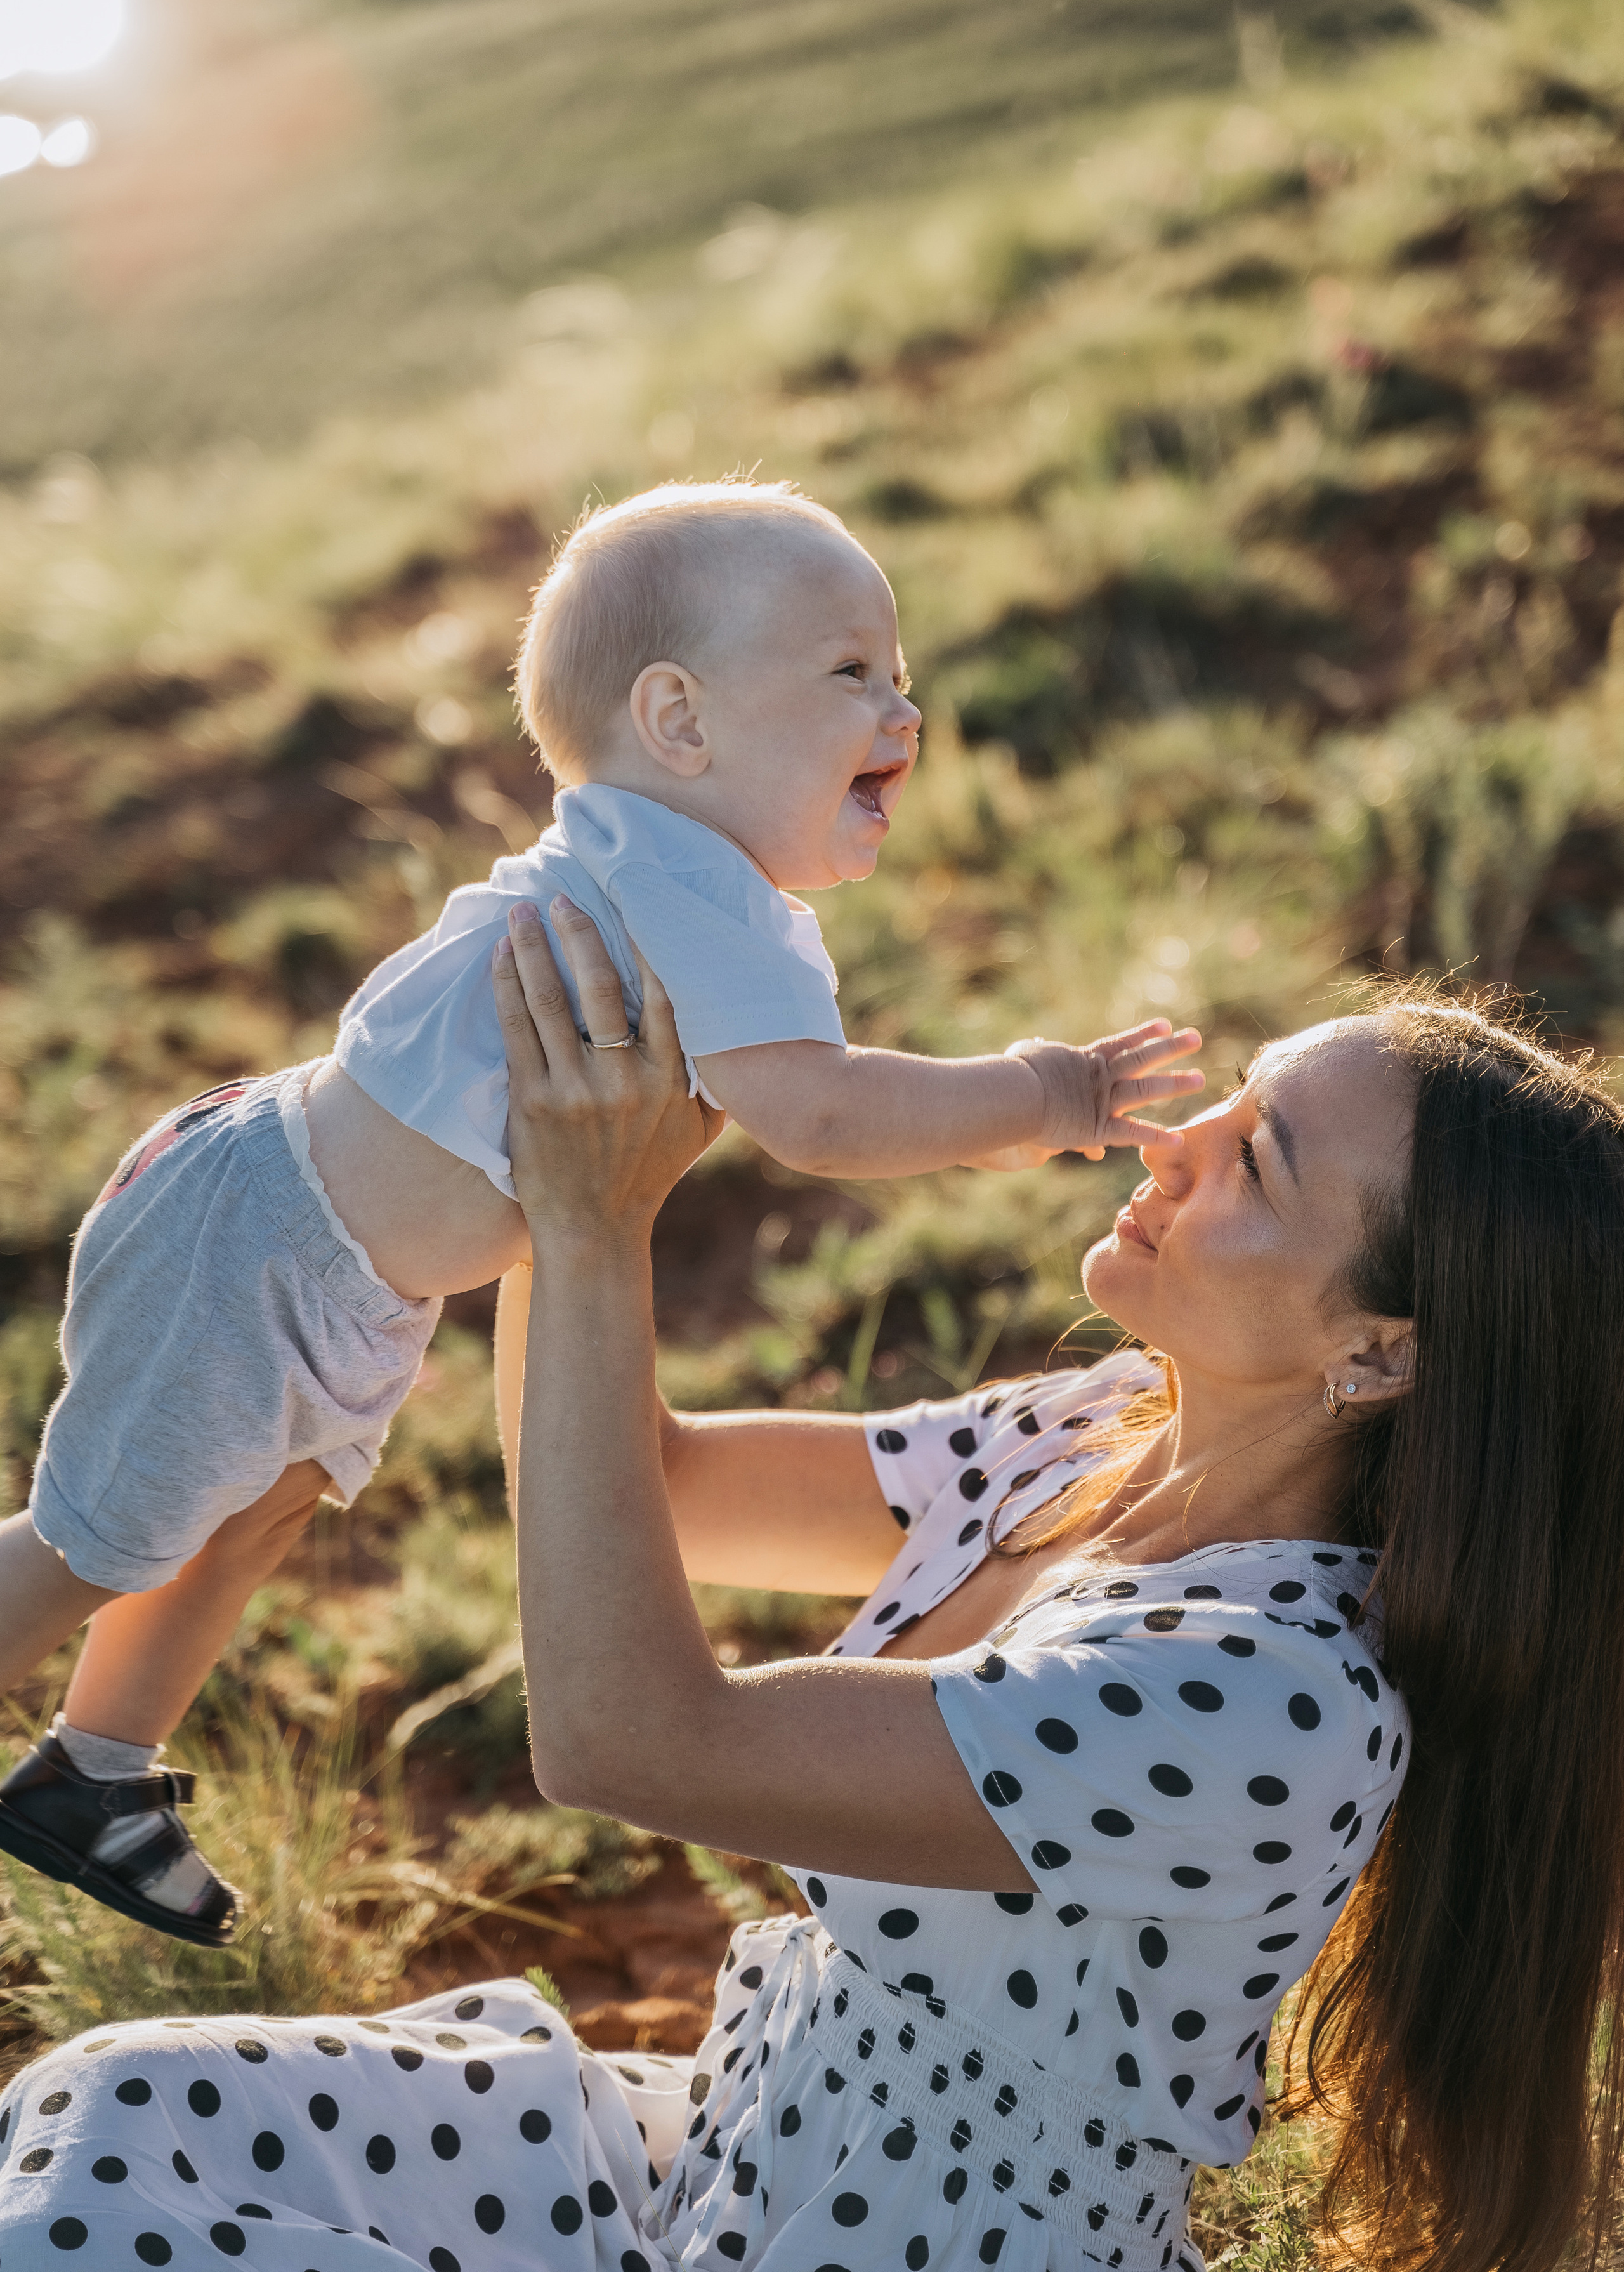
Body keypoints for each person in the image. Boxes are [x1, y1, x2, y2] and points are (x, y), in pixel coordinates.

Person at [5, 914, 1621, 2272]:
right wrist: (504, 1167)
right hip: (720, 2145)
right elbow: (650, 1469)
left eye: (1253, 1161)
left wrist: (594, 1224)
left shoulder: (1268, 1697)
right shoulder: (1089, 1436)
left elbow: (630, 1739)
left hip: (875, 2246)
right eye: (1232, 1097)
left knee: (74, 2237)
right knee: (113, 2109)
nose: (1169, 1141)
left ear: (1378, 1351)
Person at [0, 479, 1202, 1947]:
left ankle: (95, 1772)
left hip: (325, 1257)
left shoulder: (687, 880)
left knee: (246, 1515)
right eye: (848, 675)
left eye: (901, 676)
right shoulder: (684, 879)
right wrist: (1045, 1095)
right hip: (260, 1243)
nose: (902, 712)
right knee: (97, 1541)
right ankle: (91, 1753)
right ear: (679, 724)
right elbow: (819, 1114)